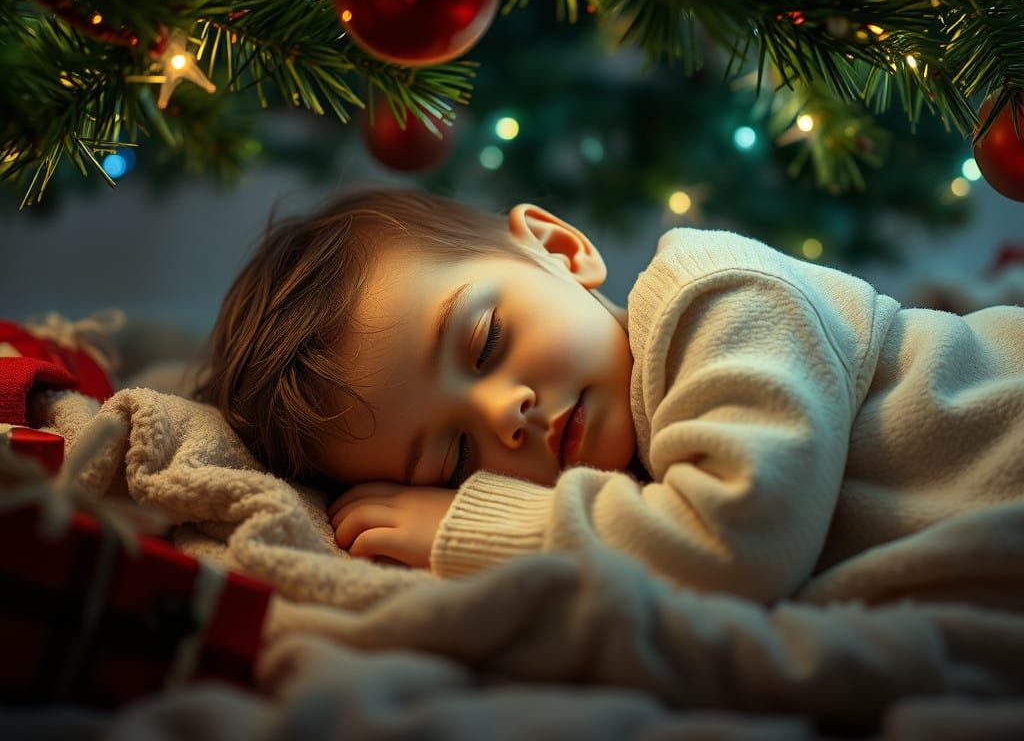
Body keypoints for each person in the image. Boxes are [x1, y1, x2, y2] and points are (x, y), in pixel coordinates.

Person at [194, 186, 1024, 601]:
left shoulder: (714, 296)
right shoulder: (631, 494)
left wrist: (479, 527)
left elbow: (741, 542)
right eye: (454, 460)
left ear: (559, 248)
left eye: (486, 342)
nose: (504, 415)